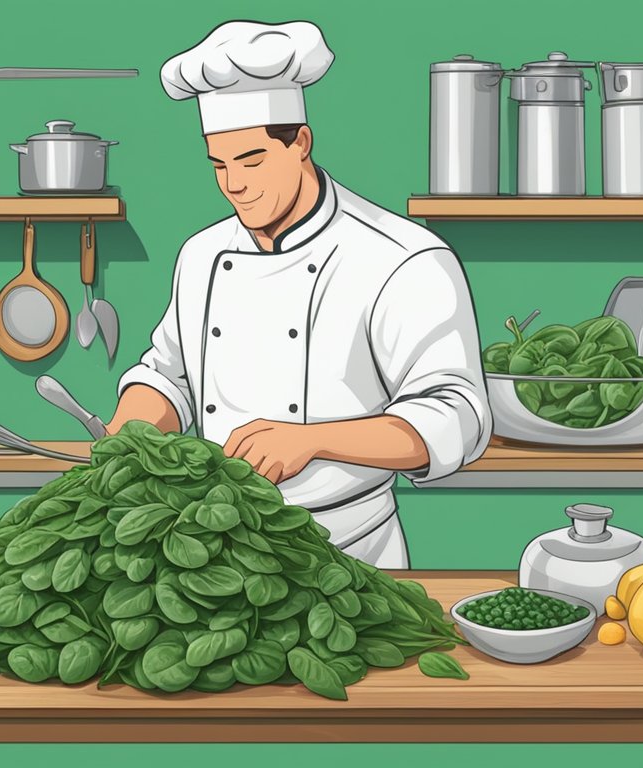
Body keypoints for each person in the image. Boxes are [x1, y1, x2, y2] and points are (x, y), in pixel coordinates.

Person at [106, 20, 491, 568]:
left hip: (349, 554)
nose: (234, 184)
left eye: (252, 161)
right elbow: (170, 375)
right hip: (216, 551)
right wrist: (132, 430)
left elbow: (457, 416)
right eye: (218, 164)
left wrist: (312, 440)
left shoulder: (402, 259)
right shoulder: (202, 255)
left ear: (301, 144)